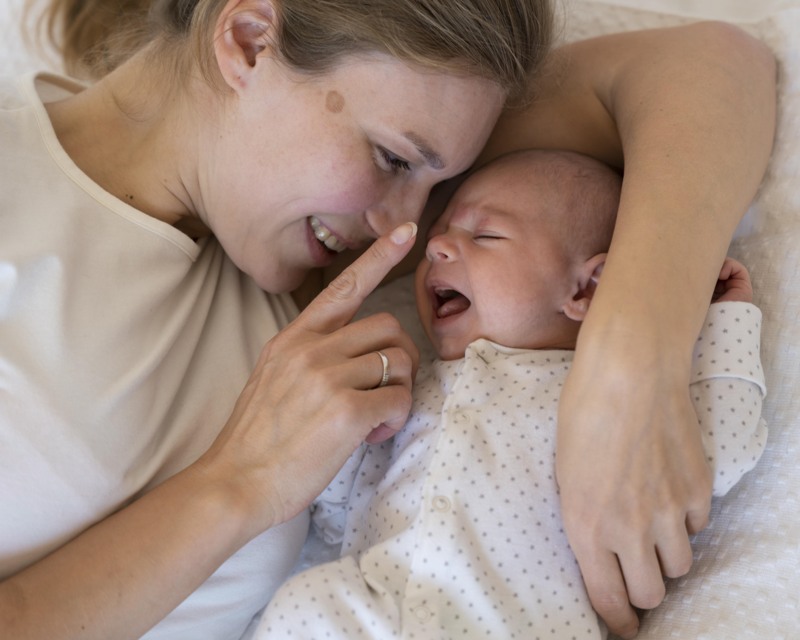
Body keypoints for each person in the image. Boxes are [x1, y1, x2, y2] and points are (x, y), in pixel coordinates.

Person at [1, 1, 776, 638]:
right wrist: (241, 483)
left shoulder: (306, 257)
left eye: (440, 178)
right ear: (249, 40)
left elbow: (717, 70)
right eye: (395, 160)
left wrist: (628, 365)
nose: (404, 229)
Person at [253, 150, 767, 639]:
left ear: (586, 290)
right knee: (305, 604)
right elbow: (337, 515)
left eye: (486, 234)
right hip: (379, 610)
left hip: (517, 625)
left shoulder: (612, 394)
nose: (435, 248)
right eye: (438, 234)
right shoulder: (412, 388)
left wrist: (726, 322)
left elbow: (717, 455)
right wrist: (347, 422)